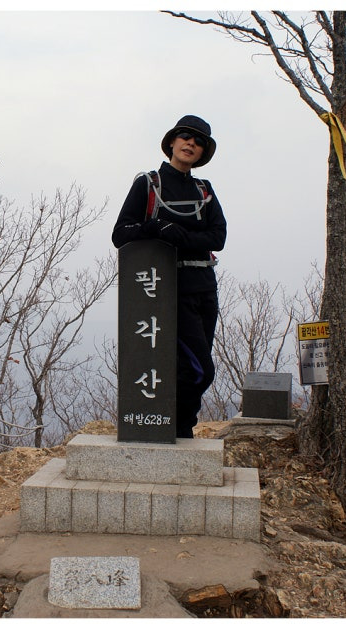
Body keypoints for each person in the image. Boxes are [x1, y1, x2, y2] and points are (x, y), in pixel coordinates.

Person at [111, 115, 227, 438]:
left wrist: (179, 236)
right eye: (185, 136)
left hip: (205, 288)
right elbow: (121, 233)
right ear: (172, 142)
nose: (191, 143)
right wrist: (156, 228)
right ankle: (177, 427)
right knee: (201, 369)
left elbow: (219, 237)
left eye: (199, 141)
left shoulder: (204, 190)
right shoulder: (149, 185)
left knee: (189, 367)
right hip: (168, 291)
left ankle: (177, 429)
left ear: (203, 152)